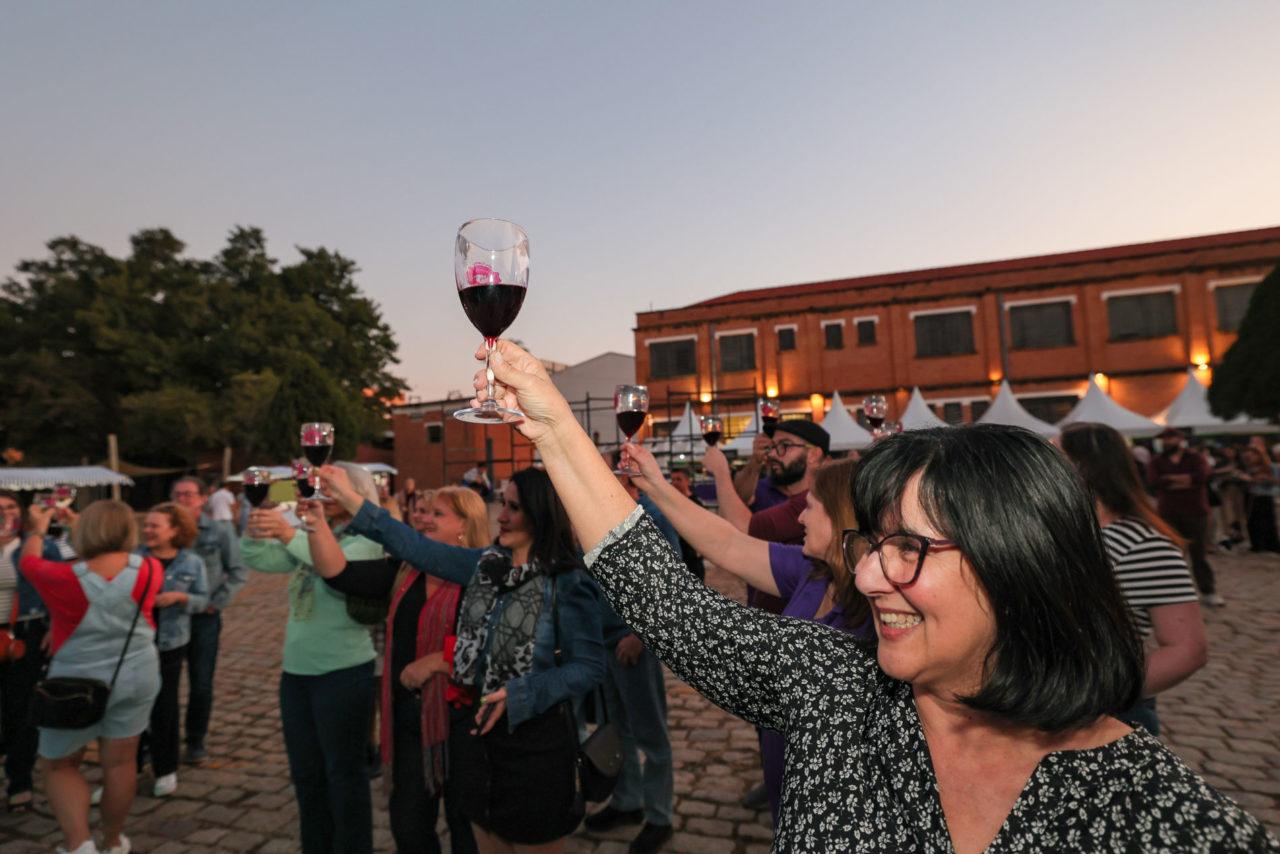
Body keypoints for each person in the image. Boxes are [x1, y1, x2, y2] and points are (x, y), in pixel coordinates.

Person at [473, 338, 1278, 851]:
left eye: (908, 549)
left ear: (1017, 567)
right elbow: (669, 603)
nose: (862, 576)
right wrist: (550, 426)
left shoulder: (1157, 817)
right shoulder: (837, 687)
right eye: (870, 544)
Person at [315, 463, 606, 853]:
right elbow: (413, 546)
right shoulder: (487, 565)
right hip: (480, 746)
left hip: (535, 749)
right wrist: (349, 498)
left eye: (514, 507)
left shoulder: (567, 581)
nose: (500, 515)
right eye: (502, 504)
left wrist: (523, 692)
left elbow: (589, 666)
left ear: (541, 513)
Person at [627, 444, 868, 824]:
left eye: (812, 506)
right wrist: (656, 485)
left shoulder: (872, 613)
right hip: (784, 781)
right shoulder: (813, 570)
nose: (801, 516)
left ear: (841, 518)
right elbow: (728, 543)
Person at [306, 486, 483, 854]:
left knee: (468, 829)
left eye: (438, 514)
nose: (424, 518)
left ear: (466, 526)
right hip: (409, 722)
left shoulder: (482, 574)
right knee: (408, 826)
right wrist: (316, 523)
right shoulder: (405, 570)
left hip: (469, 725)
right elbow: (337, 572)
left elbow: (496, 644)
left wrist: (437, 662)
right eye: (424, 511)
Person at [241, 462, 383, 854]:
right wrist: (256, 528)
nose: (318, 492)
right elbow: (263, 560)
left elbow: (333, 565)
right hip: (297, 673)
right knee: (306, 776)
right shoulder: (318, 533)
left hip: (343, 671)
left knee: (344, 775)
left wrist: (288, 531)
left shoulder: (367, 538)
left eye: (328, 487)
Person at [19, 500, 164, 854]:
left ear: (85, 531)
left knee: (59, 764)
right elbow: (103, 567)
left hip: (75, 682)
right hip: (136, 674)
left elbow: (29, 562)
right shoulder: (150, 568)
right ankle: (113, 840)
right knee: (120, 762)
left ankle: (79, 843)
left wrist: (38, 529)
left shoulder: (61, 577)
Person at [1060, 423, 1208, 735]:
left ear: (1083, 469)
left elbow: (1187, 648)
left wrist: (1095, 693)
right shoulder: (1069, 535)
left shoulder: (1142, 543)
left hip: (1105, 715)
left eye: (1052, 458)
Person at [582, 453, 679, 853]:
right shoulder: (597, 511)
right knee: (614, 727)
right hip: (601, 639)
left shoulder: (651, 516)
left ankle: (660, 815)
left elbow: (669, 581)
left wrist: (641, 635)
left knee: (650, 732)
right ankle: (628, 801)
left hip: (631, 642)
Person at [170, 476, 247, 764]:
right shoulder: (165, 530)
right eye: (178, 494)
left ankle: (195, 740)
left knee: (201, 682)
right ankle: (160, 739)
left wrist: (216, 604)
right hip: (168, 617)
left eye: (189, 494)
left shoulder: (219, 530)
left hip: (204, 618)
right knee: (164, 683)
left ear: (204, 498)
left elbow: (238, 570)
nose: (183, 499)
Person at [136, 503, 210, 797]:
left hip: (171, 643)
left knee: (164, 707)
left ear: (175, 530)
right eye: (147, 525)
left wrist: (181, 597)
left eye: (155, 526)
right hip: (136, 643)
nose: (148, 530)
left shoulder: (192, 562)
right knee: (129, 707)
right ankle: (128, 768)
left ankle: (166, 769)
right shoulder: (134, 559)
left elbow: (203, 600)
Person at [1, 489, 56, 814]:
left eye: (11, 507)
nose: (6, 513)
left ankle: (19, 781)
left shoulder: (42, 546)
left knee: (22, 709)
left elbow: (64, 584)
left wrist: (55, 625)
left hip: (27, 632)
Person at [1147, 428, 1222, 606]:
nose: (1167, 442)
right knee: (1170, 555)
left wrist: (1172, 480)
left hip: (1195, 511)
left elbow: (1201, 477)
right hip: (1168, 513)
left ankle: (1208, 591)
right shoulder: (1157, 461)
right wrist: (1184, 480)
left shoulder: (1195, 458)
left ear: (1180, 439)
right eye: (1164, 439)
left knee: (1199, 554)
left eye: (1171, 438)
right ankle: (1173, 593)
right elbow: (1154, 481)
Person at [732, 434, 790, 511]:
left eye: (785, 447)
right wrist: (755, 461)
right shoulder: (760, 487)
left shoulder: (807, 490)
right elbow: (741, 498)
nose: (774, 454)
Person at [667, 468, 705, 581]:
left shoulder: (696, 503)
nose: (675, 483)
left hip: (692, 557)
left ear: (688, 481)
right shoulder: (671, 502)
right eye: (673, 479)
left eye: (679, 479)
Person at [1240, 445, 1280, 553]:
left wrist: (1264, 479)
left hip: (1266, 495)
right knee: (1253, 521)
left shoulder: (1271, 467)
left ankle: (1271, 545)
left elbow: (1277, 481)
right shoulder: (1248, 468)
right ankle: (1257, 545)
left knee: (1268, 522)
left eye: (1253, 455)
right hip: (1252, 496)